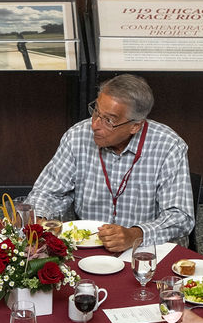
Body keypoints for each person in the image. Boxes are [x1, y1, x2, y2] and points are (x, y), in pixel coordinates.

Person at [26, 73, 194, 253]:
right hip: (88, 246)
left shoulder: (168, 146)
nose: (95, 125)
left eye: (109, 120)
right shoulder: (77, 136)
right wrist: (39, 217)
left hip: (144, 250)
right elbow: (47, 192)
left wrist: (135, 234)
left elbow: (180, 217)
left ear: (135, 126)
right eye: (96, 112)